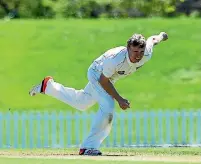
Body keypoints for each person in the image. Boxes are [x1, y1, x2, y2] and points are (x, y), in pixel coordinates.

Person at [29, 31, 168, 156]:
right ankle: (88, 147)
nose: (138, 56)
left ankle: (48, 87)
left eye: (141, 51)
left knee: (82, 102)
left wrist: (161, 36)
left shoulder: (147, 53)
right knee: (108, 106)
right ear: (127, 49)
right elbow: (103, 81)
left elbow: (152, 40)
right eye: (135, 52)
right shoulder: (115, 59)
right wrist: (119, 99)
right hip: (97, 73)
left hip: (110, 77)